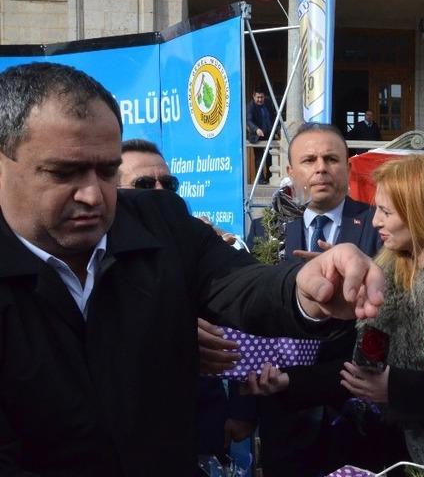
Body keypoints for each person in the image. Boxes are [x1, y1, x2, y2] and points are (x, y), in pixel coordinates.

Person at [0, 62, 383, 475]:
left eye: (108, 170)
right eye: (63, 172)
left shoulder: (158, 221)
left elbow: (239, 282)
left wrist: (304, 290)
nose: (93, 195)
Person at [250, 153, 424, 469]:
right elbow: (360, 368)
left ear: (423, 213)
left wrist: (397, 389)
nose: (374, 220)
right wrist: (289, 381)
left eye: (386, 211)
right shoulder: (383, 268)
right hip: (379, 454)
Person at [118, 139, 256, 472]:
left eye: (169, 183)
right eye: (144, 184)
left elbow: (243, 324)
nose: (160, 189)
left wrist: (243, 410)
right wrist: (172, 329)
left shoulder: (197, 246)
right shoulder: (96, 259)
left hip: (211, 433)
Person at [255, 122, 382, 476]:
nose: (321, 168)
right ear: (292, 172)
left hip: (353, 403)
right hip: (283, 407)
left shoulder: (377, 224)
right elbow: (250, 316)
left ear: (348, 167)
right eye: (309, 160)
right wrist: (242, 406)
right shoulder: (268, 228)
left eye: (331, 159)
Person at [246, 88, 278, 183]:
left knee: (270, 157)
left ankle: (270, 177)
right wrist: (256, 129)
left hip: (269, 135)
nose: (260, 99)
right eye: (258, 97)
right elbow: (248, 120)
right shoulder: (250, 107)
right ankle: (260, 180)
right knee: (259, 158)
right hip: (257, 136)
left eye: (262, 97)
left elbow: (274, 116)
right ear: (254, 96)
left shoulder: (267, 104)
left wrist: (276, 130)